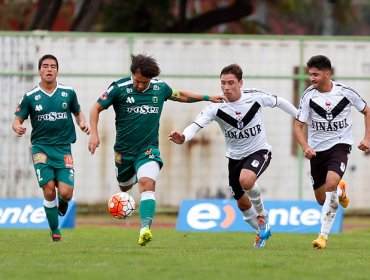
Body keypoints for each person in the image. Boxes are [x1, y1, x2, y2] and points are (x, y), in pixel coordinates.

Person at [88, 53, 225, 246]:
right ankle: (135, 173)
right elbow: (95, 108)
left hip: (148, 149)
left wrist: (207, 97)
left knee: (146, 183)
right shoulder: (118, 88)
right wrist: (94, 134)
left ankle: (145, 228)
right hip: (124, 151)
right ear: (132, 75)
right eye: (137, 81)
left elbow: (181, 95)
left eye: (145, 82)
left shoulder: (160, 88)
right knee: (125, 187)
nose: (141, 85)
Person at [169, 63, 297, 248]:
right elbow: (196, 125)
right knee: (243, 206)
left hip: (259, 151)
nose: (226, 87)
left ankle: (262, 215)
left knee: (246, 180)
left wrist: (300, 116)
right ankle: (262, 232)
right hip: (235, 158)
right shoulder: (216, 107)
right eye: (223, 83)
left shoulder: (254, 97)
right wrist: (184, 137)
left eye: (230, 83)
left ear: (240, 83)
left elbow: (280, 102)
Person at [294, 55, 370, 249]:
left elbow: (367, 111)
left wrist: (367, 138)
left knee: (330, 185)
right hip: (317, 151)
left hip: (340, 146)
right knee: (322, 199)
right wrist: (306, 147)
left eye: (315, 74)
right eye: (310, 74)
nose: (311, 78)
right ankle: (340, 189)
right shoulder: (308, 96)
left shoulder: (345, 92)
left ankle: (323, 236)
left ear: (328, 74)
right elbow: (297, 126)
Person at [12, 54, 90, 242]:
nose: (49, 69)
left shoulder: (68, 92)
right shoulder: (30, 97)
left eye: (53, 66)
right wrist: (17, 127)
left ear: (57, 70)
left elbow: (77, 112)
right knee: (48, 189)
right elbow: (17, 119)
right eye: (45, 66)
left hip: (63, 149)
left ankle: (63, 203)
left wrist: (82, 123)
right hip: (41, 149)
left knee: (66, 193)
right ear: (39, 71)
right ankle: (55, 231)